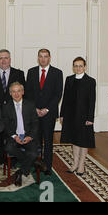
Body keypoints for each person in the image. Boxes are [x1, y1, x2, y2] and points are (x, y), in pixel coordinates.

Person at [25, 48, 63, 176]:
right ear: (38, 58)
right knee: (35, 140)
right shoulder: (31, 72)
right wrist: (35, 109)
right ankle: (36, 164)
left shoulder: (57, 73)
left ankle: (47, 166)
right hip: (34, 113)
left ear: (50, 58)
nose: (43, 59)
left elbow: (58, 94)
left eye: (45, 56)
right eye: (40, 56)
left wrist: (46, 109)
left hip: (49, 113)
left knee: (47, 141)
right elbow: (28, 93)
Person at [0, 49, 25, 165]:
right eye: (1, 58)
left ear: (10, 59)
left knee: (11, 134)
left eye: (6, 58)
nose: (3, 60)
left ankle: (12, 160)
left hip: (13, 110)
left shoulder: (19, 74)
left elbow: (22, 93)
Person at [60, 57, 96, 176]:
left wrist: (90, 118)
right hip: (70, 115)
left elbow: (92, 101)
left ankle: (81, 164)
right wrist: (62, 114)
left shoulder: (91, 81)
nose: (78, 68)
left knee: (83, 140)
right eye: (75, 65)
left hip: (84, 116)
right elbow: (65, 98)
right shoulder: (69, 79)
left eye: (80, 66)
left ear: (85, 67)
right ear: (73, 67)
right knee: (74, 139)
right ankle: (75, 163)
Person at [2, 82, 40, 187]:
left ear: (23, 92)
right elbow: (6, 125)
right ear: (10, 93)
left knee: (33, 152)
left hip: (28, 136)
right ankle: (33, 162)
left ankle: (20, 172)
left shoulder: (30, 104)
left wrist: (30, 136)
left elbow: (35, 123)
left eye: (18, 91)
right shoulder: (6, 107)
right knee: (8, 148)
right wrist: (14, 136)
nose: (16, 94)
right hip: (14, 136)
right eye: (13, 91)